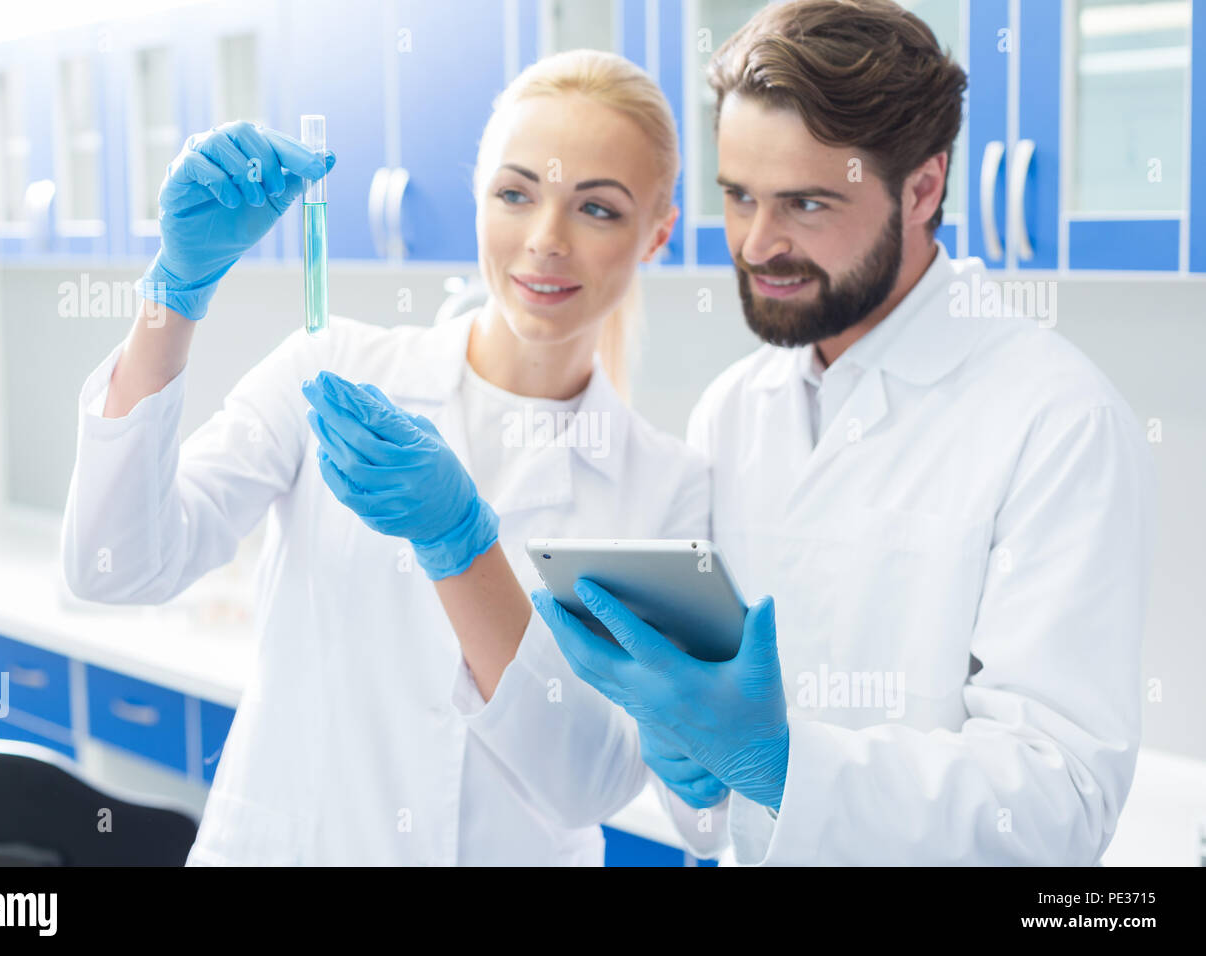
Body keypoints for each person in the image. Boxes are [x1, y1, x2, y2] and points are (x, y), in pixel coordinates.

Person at [535, 0, 1157, 865]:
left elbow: (1058, 807)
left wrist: (787, 765)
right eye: (740, 197)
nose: (758, 244)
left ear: (925, 187)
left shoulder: (1057, 422)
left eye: (807, 203)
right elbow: (719, 818)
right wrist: (689, 759)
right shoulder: (734, 407)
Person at [61, 49, 710, 865]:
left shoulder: (670, 489)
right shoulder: (331, 370)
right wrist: (173, 293)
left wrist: (460, 545)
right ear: (478, 197)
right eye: (516, 194)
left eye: (599, 209)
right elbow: (114, 565)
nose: (545, 241)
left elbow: (591, 782)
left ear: (659, 233)